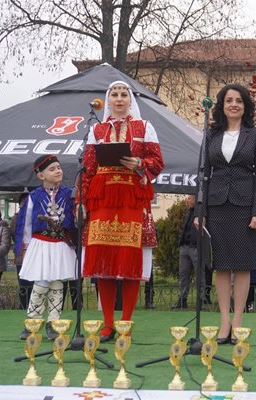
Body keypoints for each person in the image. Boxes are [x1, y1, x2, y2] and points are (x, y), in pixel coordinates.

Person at [78, 80, 164, 342]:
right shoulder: (97, 129)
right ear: (108, 99)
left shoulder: (144, 127)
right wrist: (80, 201)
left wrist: (139, 162)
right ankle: (107, 324)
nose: (118, 98)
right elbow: (88, 168)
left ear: (130, 99)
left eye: (123, 94)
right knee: (104, 262)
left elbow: (157, 162)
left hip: (131, 199)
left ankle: (125, 322)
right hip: (103, 200)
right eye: (114, 94)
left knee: (129, 262)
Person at [195, 83, 256, 344]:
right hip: (216, 207)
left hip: (245, 207)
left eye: (238, 100)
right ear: (221, 106)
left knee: (242, 265)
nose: (234, 104)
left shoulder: (255, 135)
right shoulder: (211, 135)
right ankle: (224, 321)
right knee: (221, 265)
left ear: (245, 106)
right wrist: (199, 210)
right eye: (228, 101)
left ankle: (238, 320)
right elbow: (203, 174)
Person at [15, 155, 77, 340]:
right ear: (41, 176)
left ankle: (53, 322)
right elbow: (25, 224)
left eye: (59, 167)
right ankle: (33, 321)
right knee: (41, 282)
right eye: (52, 169)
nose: (58, 171)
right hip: (41, 244)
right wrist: (24, 248)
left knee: (58, 282)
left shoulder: (69, 193)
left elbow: (74, 218)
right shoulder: (33, 196)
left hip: (61, 244)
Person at [172, 195, 201, 309]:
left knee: (199, 275)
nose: (187, 200)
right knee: (183, 274)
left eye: (190, 198)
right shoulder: (189, 212)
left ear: (195, 199)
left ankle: (201, 300)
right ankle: (182, 299)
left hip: (195, 247)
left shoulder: (201, 213)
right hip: (185, 247)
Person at [11, 192, 33, 309]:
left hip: (34, 252)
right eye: (23, 202)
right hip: (21, 253)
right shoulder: (16, 217)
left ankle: (34, 306)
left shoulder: (36, 217)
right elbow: (14, 234)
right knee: (22, 282)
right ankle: (23, 305)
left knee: (34, 282)